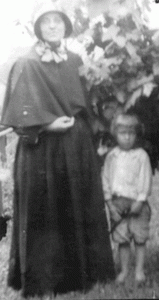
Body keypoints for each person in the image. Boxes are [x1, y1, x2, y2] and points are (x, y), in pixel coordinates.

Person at [1, 2, 115, 298]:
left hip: (75, 145)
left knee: (75, 205)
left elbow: (87, 105)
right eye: (46, 21)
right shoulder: (26, 63)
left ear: (66, 25)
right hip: (41, 149)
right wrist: (48, 125)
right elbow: (19, 119)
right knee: (44, 213)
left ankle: (81, 276)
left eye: (58, 21)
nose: (53, 26)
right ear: (37, 27)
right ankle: (44, 280)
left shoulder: (75, 60)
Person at [102, 112, 152, 285]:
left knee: (139, 238)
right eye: (123, 134)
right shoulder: (111, 156)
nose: (127, 138)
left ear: (137, 135)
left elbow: (145, 179)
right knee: (122, 239)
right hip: (118, 204)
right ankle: (124, 270)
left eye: (131, 134)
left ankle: (139, 271)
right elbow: (106, 180)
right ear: (115, 134)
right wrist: (110, 204)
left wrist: (140, 200)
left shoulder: (141, 156)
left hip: (137, 205)